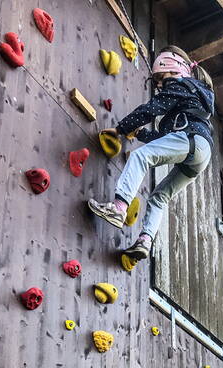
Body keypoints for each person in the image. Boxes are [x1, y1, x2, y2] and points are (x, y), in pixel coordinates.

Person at [88, 46, 214, 260]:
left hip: (189, 139)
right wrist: (140, 134)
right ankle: (145, 241)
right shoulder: (195, 95)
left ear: (173, 70)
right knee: (160, 197)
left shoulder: (180, 84)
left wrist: (121, 128)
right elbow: (166, 141)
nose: (158, 85)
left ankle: (119, 208)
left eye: (160, 78)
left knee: (140, 157)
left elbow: (151, 109)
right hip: (201, 152)